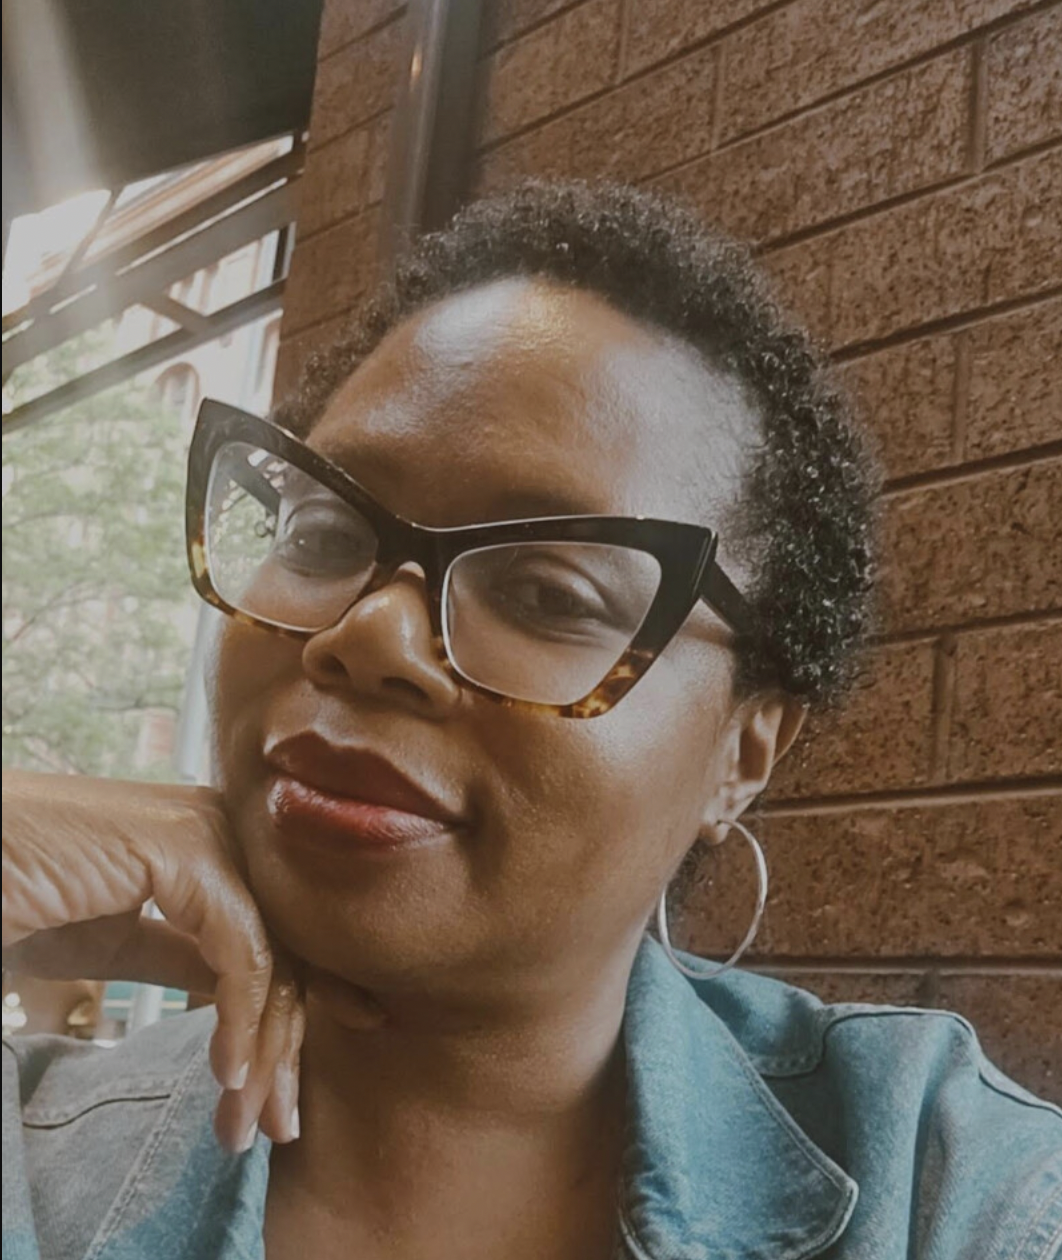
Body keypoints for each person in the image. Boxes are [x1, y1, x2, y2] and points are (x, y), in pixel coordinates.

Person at [2, 180, 1059, 1260]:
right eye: (322, 533)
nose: (371, 635)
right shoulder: (28, 1160)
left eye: (549, 593)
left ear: (743, 751)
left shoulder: (951, 1194)